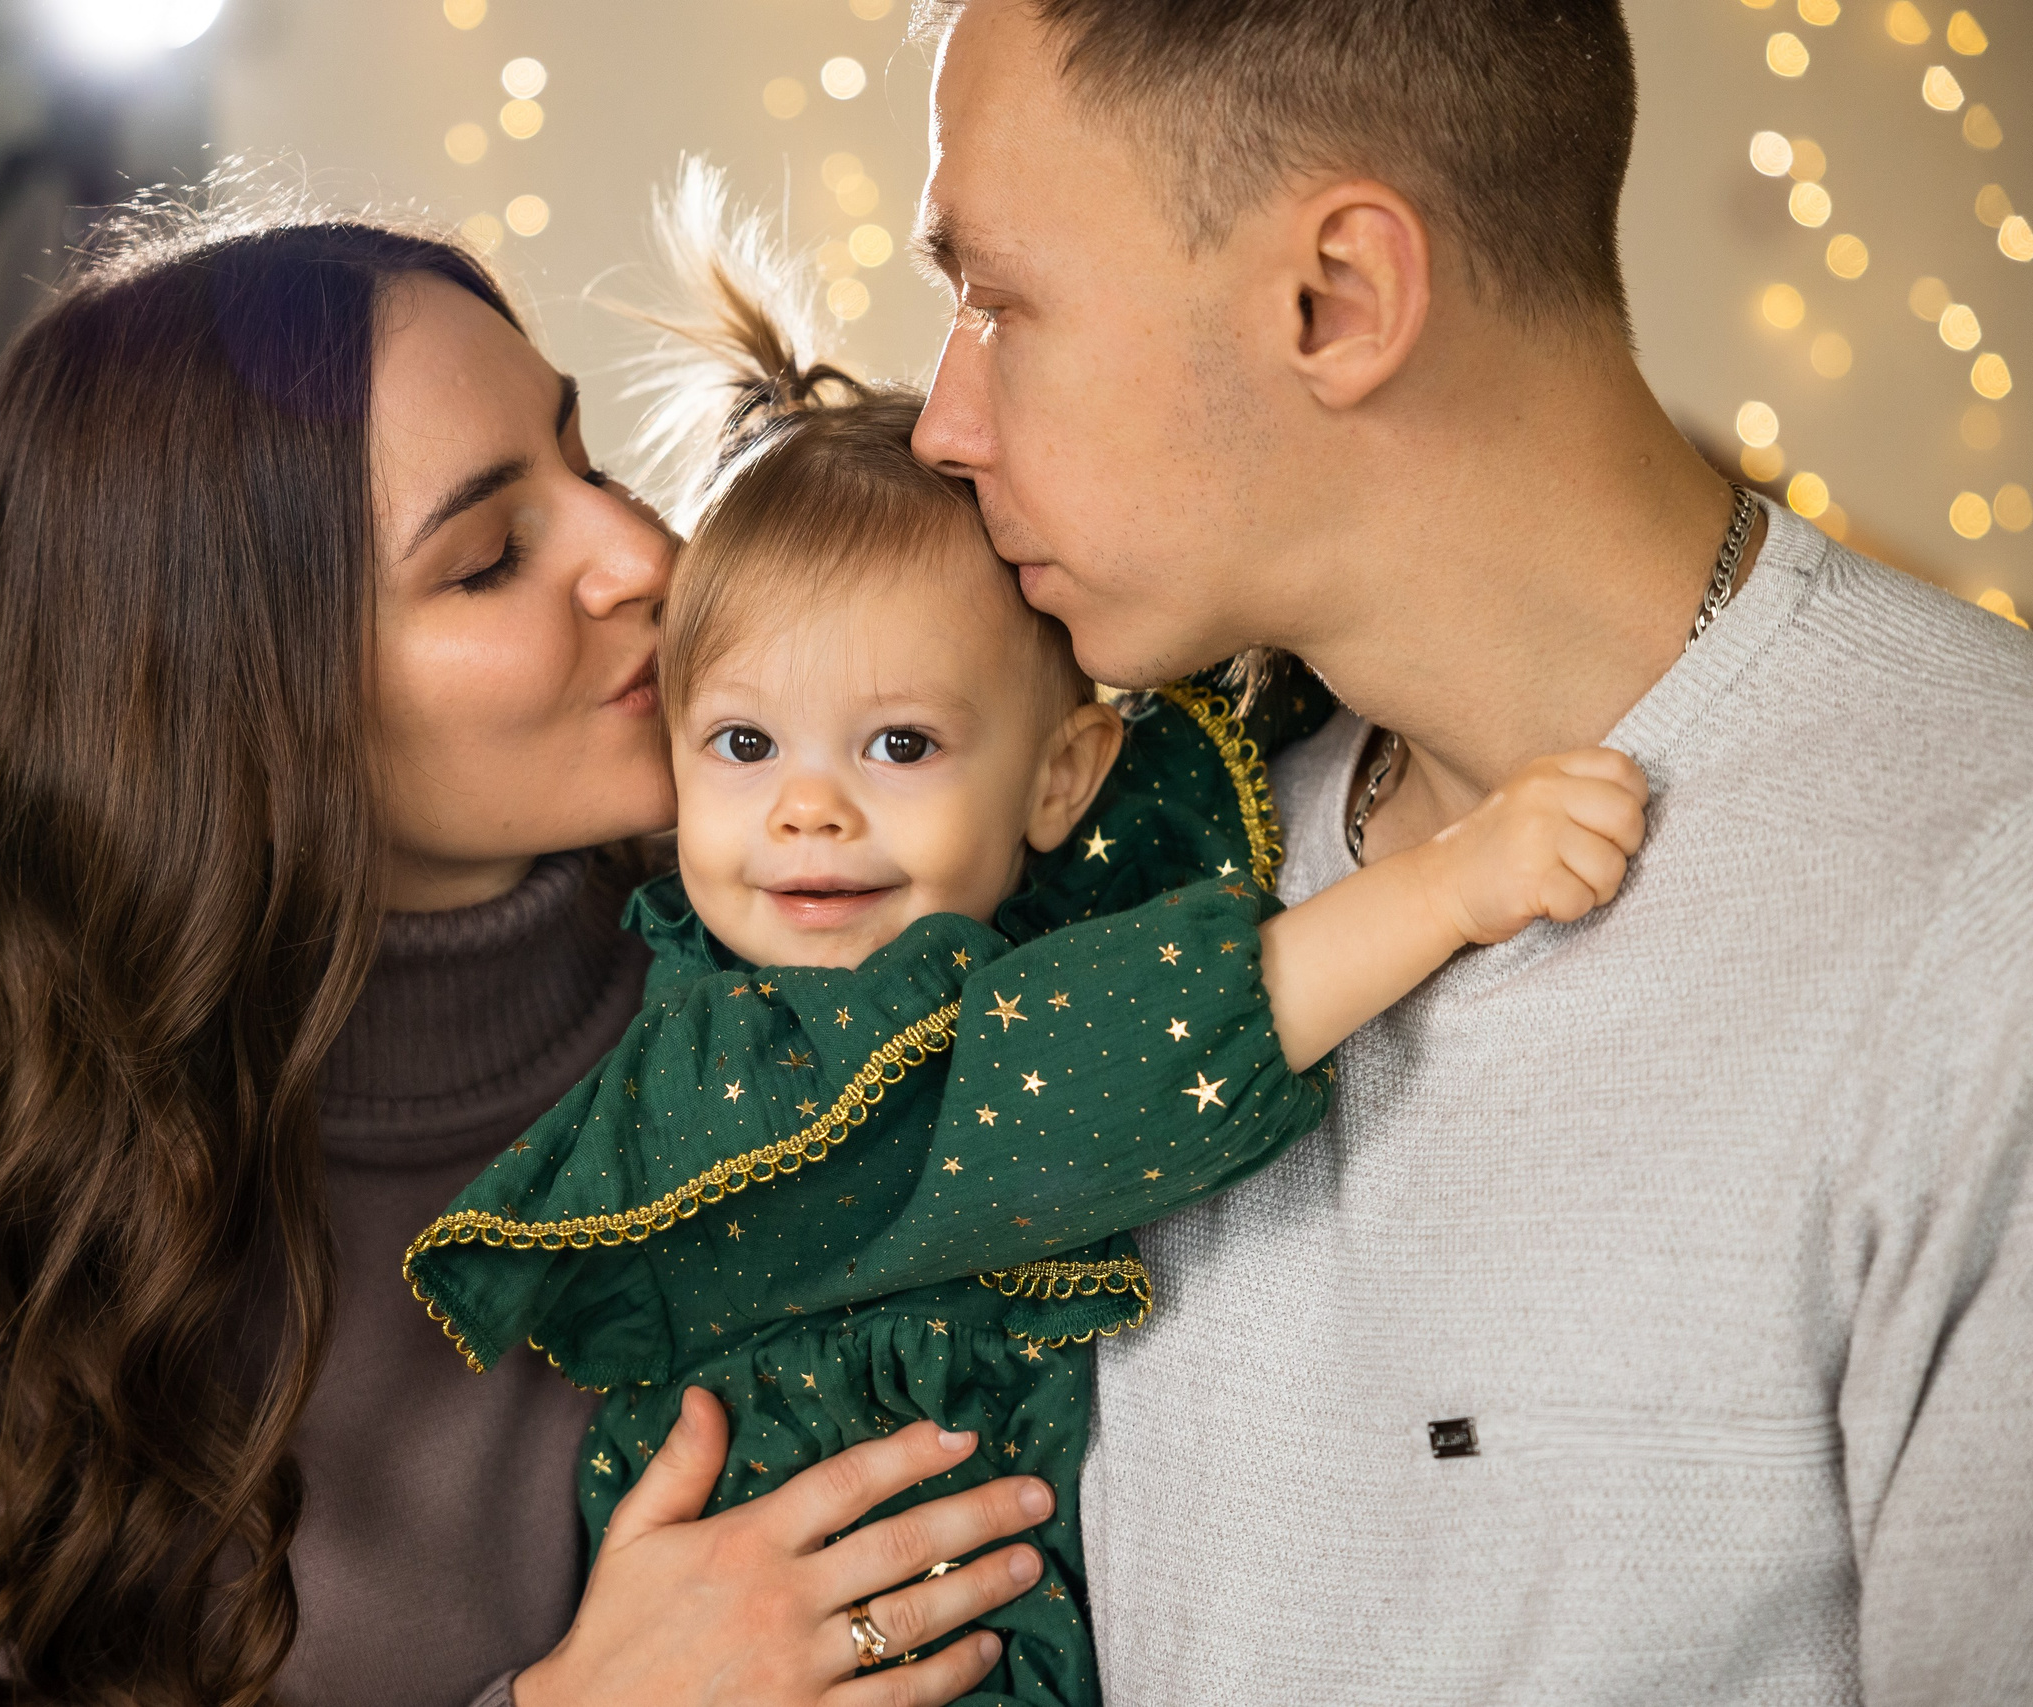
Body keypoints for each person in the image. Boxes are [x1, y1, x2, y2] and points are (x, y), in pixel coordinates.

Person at [905, 2, 2033, 1702]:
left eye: (999, 302)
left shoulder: (1982, 886)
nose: (942, 421)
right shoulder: (1095, 846)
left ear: (1334, 300)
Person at [407, 171, 1650, 1707]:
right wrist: (1447, 889)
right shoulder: (750, 1062)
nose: (806, 814)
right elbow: (1046, 1083)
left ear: (1062, 775)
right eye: (741, 749)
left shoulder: (997, 920)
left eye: (901, 747)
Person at [0, 208, 1066, 1707]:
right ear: (249, 707)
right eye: (487, 560)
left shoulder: (866, 940)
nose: (641, 553)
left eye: (588, 460)